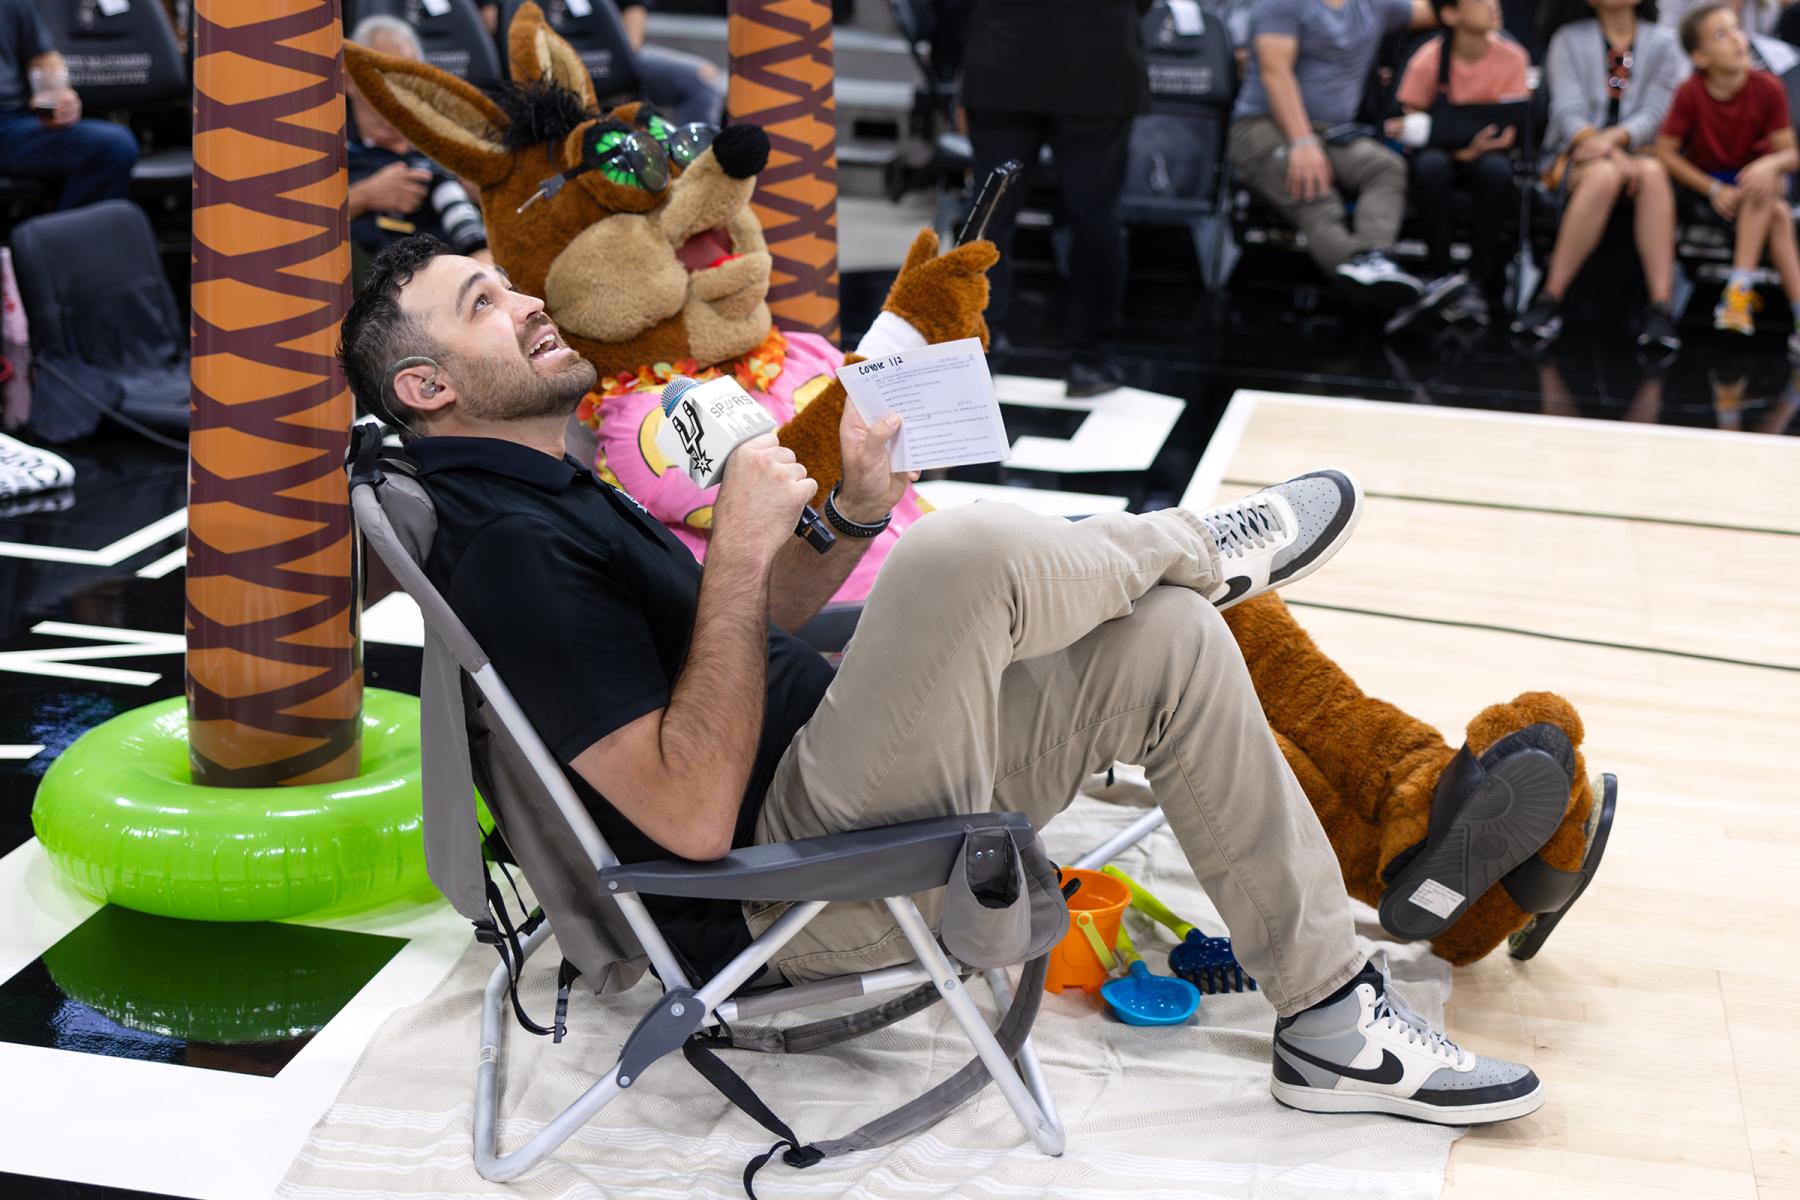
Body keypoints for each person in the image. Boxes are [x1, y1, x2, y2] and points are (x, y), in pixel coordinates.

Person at [338, 233, 1550, 1127]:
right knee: (955, 555)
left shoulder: (554, 487)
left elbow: (742, 639)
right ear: (427, 388)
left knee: (1175, 642)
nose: (530, 301)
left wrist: (849, 517)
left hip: (843, 784)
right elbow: (691, 815)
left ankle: (1331, 1022)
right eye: (484, 303)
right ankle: (1199, 542)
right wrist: (742, 543)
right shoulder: (511, 551)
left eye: (508, 282)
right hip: (781, 888)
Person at [959, 0, 1146, 397]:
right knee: (1095, 215)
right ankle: (1089, 362)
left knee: (991, 216)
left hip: (1004, 54)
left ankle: (977, 355)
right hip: (1097, 58)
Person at [1227, 0, 1438, 309]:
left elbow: (1441, 9)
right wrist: (1302, 142)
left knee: (1385, 166)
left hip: (1332, 132)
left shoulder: (1372, 5)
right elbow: (1275, 74)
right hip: (1264, 125)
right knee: (1316, 194)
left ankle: (1375, 259)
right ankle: (1378, 288)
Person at [1512, 0, 1686, 358]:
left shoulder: (1664, 42)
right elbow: (1567, 111)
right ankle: (1550, 296)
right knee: (1604, 176)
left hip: (1642, 151)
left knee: (1653, 174)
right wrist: (1608, 152)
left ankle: (1660, 307)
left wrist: (1616, 142)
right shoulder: (1567, 38)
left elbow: (1657, 110)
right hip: (1576, 152)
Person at [1653, 2, 1800, 355]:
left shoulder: (1768, 87)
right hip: (1711, 184)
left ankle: (1737, 292)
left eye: (1736, 29)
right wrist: (1713, 188)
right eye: (1722, 34)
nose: (1737, 39)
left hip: (1757, 179)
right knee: (1777, 214)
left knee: (1762, 186)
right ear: (1700, 57)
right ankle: (1774, 307)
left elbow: (1791, 154)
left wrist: (1769, 165)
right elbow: (1665, 152)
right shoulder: (1690, 92)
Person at [1386, 0, 1532, 325]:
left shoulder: (1513, 56)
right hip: (1439, 154)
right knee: (1431, 167)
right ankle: (1440, 274)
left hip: (1488, 154)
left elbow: (1514, 123)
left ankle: (1477, 280)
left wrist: (1479, 144)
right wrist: (1461, 149)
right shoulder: (1429, 57)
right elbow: (1409, 125)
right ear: (1450, 14)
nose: (1492, 5)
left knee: (1496, 171)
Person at [345, 17, 492, 266]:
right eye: (383, 75)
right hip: (380, 276)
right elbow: (306, 222)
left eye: (408, 76)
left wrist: (484, 193)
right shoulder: (334, 148)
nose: (397, 89)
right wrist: (365, 196)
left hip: (468, 263)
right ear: (349, 81)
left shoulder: (445, 142)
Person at [0, 0, 137, 212]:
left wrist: (60, 97)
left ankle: (66, 233)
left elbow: (43, 57)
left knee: (113, 146)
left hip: (10, 124)